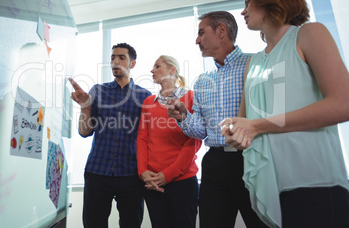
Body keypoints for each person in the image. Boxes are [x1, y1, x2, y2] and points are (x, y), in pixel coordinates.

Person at [220, 0, 349, 228]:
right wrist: (235, 131)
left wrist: (258, 126)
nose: (243, 10)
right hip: (269, 188)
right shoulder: (253, 62)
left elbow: (343, 103)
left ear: (272, 0)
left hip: (315, 183)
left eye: (249, 2)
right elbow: (247, 123)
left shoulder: (309, 33)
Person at [167, 11, 263, 228]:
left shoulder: (255, 64)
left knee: (261, 222)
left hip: (251, 158)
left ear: (221, 31)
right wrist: (183, 116)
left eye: (201, 32)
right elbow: (201, 131)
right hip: (215, 164)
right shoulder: (202, 80)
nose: (197, 40)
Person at [69, 43, 151, 228]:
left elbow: (149, 139)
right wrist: (85, 107)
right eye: (113, 57)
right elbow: (84, 131)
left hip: (131, 173)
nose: (115, 61)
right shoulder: (97, 91)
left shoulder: (145, 97)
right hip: (98, 171)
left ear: (133, 63)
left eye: (121, 57)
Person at [137, 55, 202, 228]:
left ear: (172, 70)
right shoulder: (148, 102)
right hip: (152, 183)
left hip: (182, 182)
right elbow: (143, 138)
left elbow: (193, 141)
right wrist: (143, 172)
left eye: (157, 66)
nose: (152, 70)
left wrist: (168, 175)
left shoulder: (191, 97)